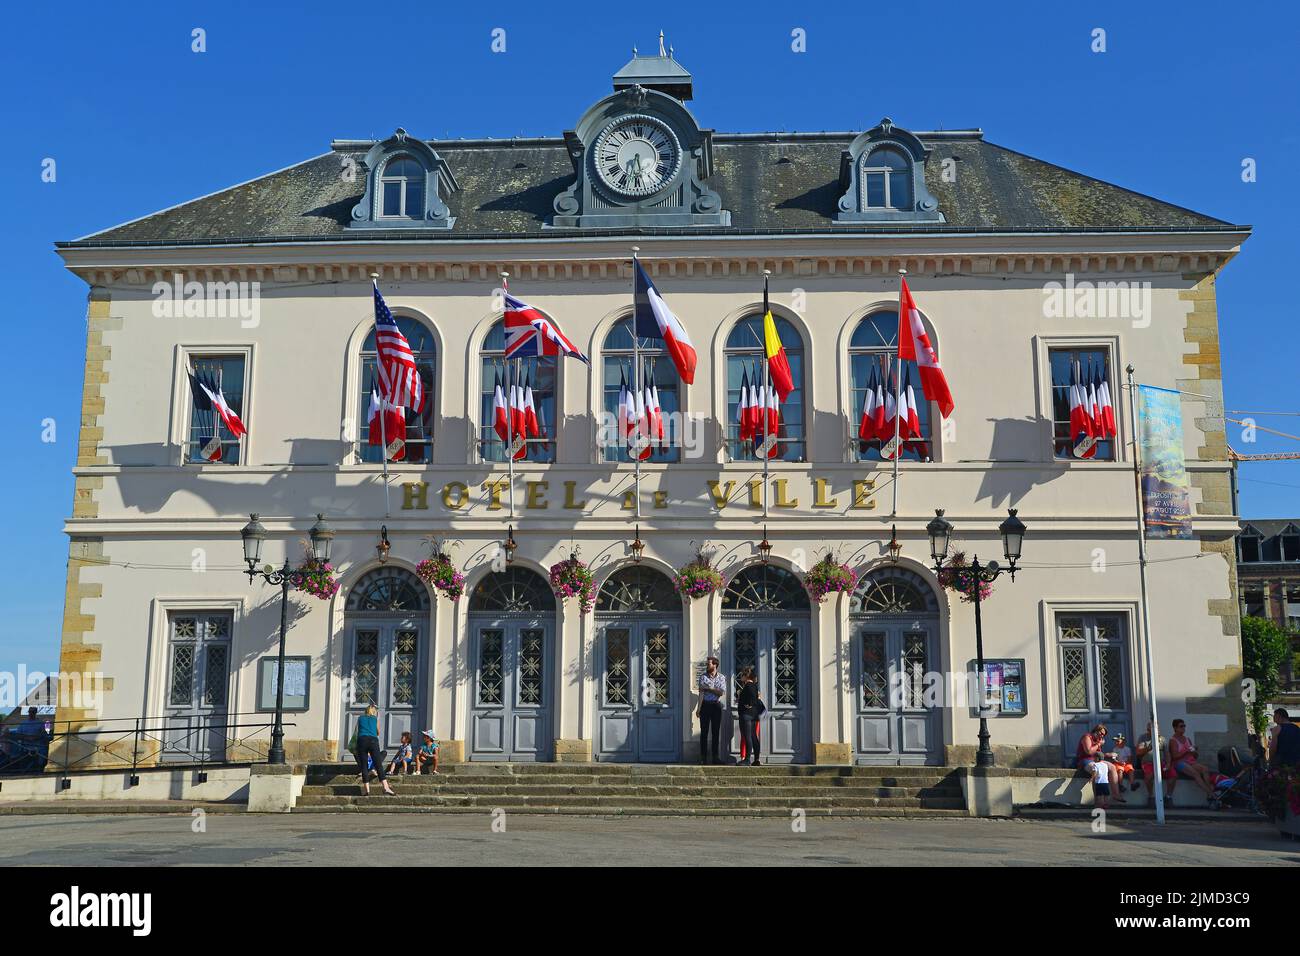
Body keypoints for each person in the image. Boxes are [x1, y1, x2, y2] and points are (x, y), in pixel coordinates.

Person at [353, 704, 395, 796]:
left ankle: (367, 790)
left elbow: (357, 731)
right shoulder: (375, 719)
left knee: (364, 766)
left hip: (362, 741)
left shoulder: (360, 718)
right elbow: (378, 732)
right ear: (374, 712)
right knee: (378, 765)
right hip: (372, 741)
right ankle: (386, 787)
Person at [1169, 718, 1216, 799]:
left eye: (1184, 726)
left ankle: (1209, 793)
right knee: (1195, 773)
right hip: (1179, 762)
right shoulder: (1173, 740)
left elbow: (1195, 756)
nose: (1183, 728)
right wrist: (1187, 751)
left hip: (1190, 762)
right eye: (1181, 726)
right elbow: (1175, 756)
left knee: (1205, 769)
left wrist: (1194, 752)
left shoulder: (1187, 739)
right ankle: (1211, 793)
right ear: (1175, 728)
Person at [1075, 724, 1121, 800]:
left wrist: (1107, 754)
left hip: (1095, 760)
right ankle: (1098, 800)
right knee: (1097, 770)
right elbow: (1089, 751)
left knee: (1112, 767)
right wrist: (1099, 744)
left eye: (1104, 735)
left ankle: (1116, 794)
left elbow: (1098, 754)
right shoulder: (1087, 737)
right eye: (1101, 733)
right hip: (1085, 760)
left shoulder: (1098, 740)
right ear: (1096, 730)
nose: (1102, 736)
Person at [696, 657, 726, 765]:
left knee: (715, 732)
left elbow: (721, 692)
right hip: (705, 705)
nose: (707, 666)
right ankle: (703, 757)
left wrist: (709, 688)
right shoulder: (703, 677)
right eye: (707, 664)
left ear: (715, 665)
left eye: (708, 664)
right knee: (703, 733)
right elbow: (701, 693)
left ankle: (715, 757)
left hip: (716, 706)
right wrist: (698, 708)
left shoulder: (721, 677)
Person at [736, 666, 763, 767]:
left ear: (746, 676)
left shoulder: (748, 685)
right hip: (754, 715)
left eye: (742, 675)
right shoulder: (754, 685)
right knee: (753, 737)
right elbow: (755, 697)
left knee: (748, 737)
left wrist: (748, 704)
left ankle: (747, 759)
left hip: (746, 715)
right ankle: (756, 759)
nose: (741, 677)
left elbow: (751, 698)